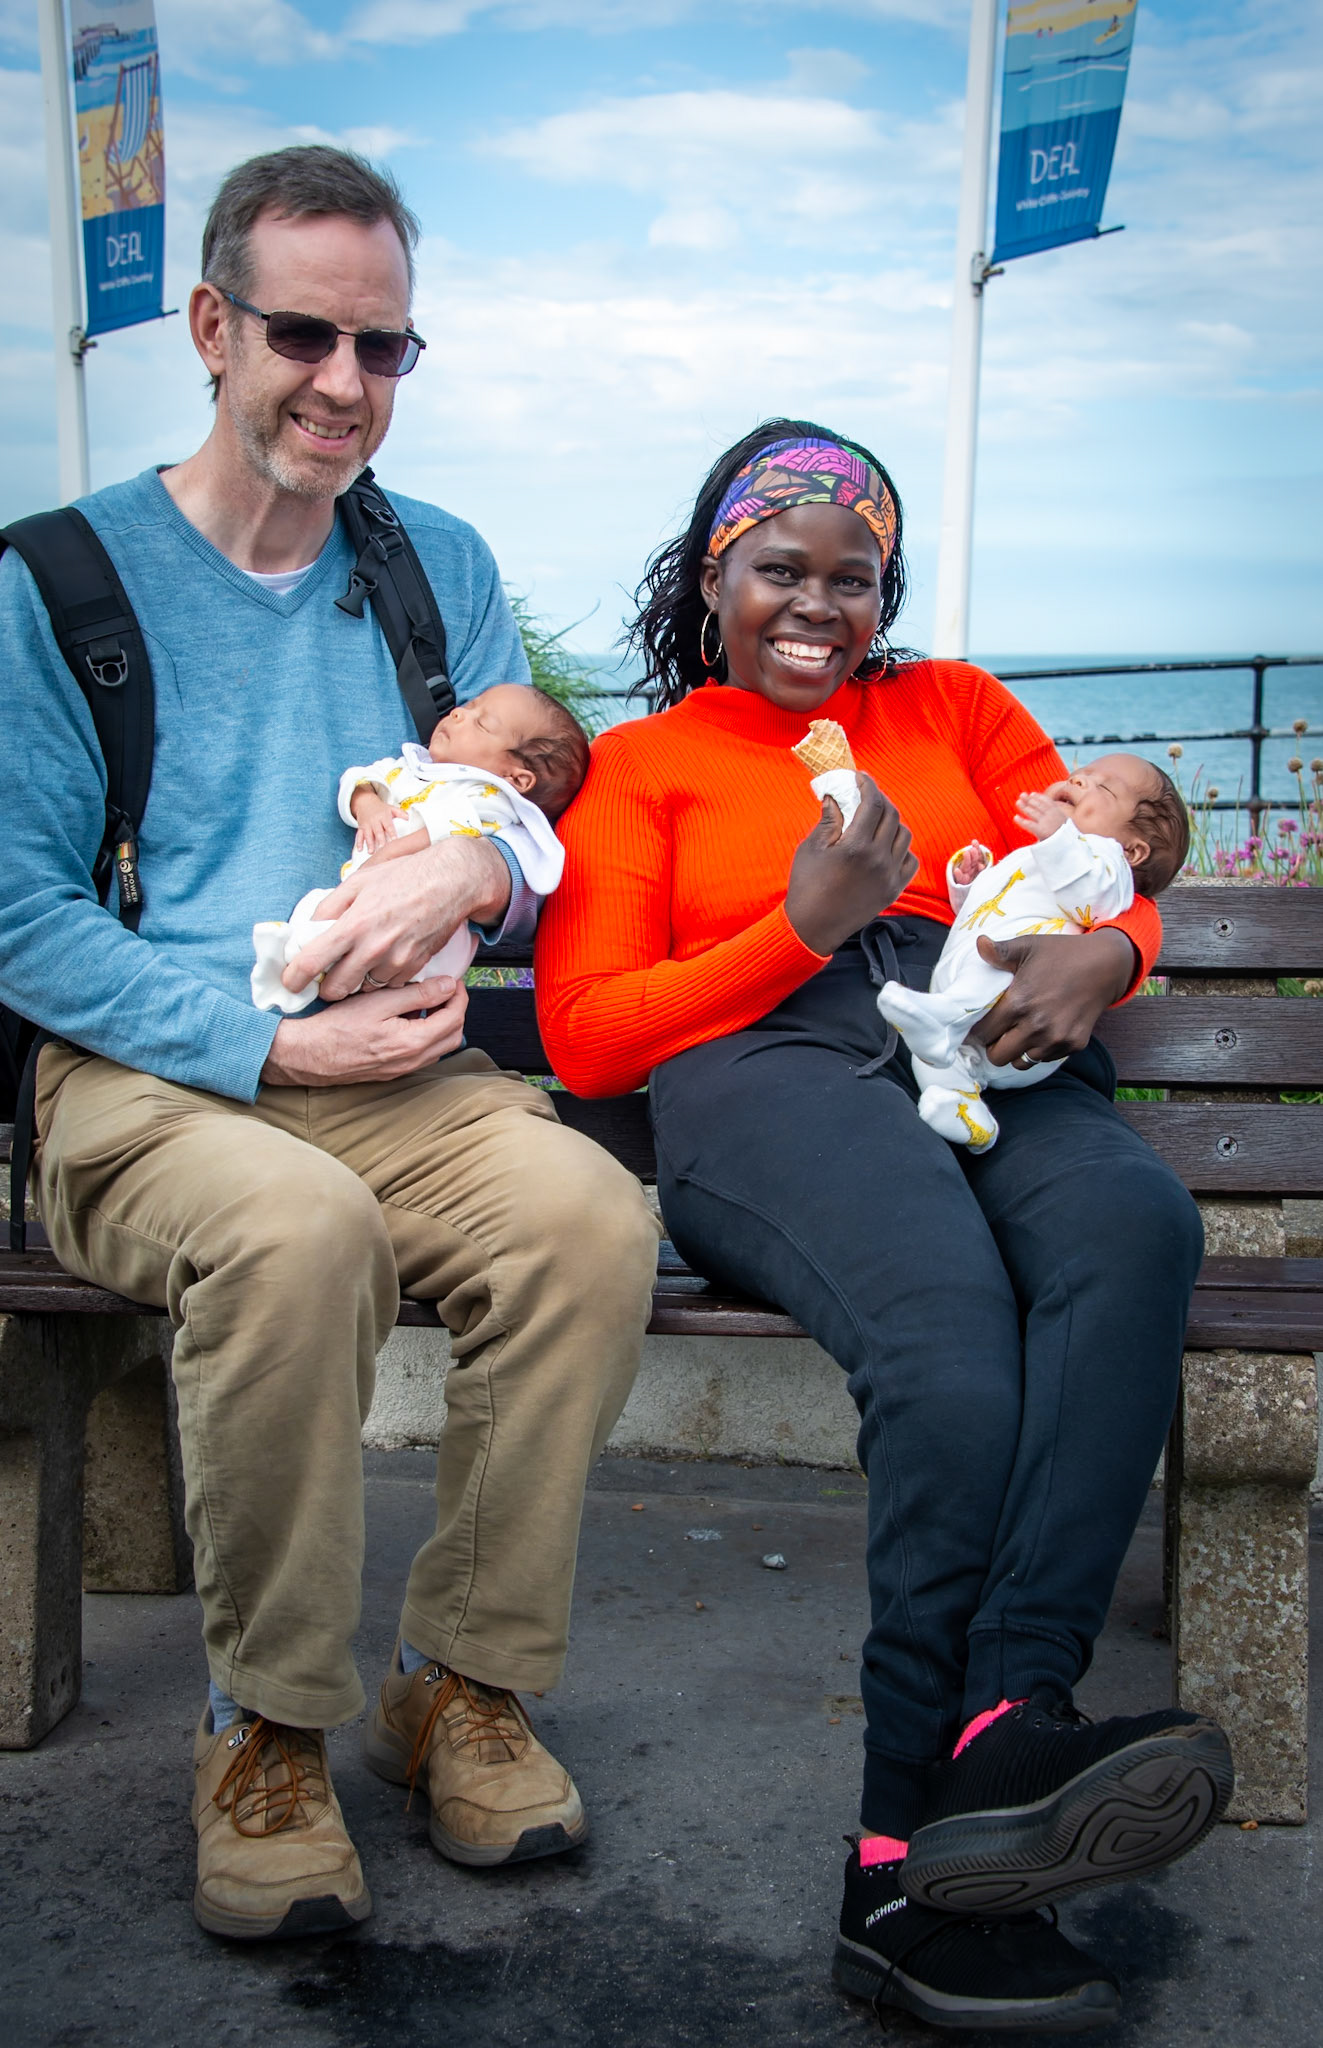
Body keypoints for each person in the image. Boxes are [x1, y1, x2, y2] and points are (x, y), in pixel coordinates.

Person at [0, 145, 659, 1942]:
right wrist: (265, 1046)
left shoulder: (434, 561)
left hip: (404, 1070)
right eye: (305, 336)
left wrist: (471, 868)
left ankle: (456, 1678)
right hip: (156, 1070)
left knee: (589, 1220)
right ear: (213, 327)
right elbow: (20, 915)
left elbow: (526, 831)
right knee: (297, 1236)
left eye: (386, 350)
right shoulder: (53, 582)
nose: (345, 387)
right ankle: (266, 1726)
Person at [535, 423, 1231, 2033]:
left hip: (975, 1040)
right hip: (761, 1074)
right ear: (713, 575)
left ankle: (1006, 1723)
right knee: (946, 1345)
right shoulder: (642, 764)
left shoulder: (953, 706)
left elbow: (1082, 859)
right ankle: (898, 1864)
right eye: (779, 568)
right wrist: (796, 926)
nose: (816, 606)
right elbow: (584, 1035)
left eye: (855, 578)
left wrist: (1115, 955)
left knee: (1129, 1231)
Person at [876, 751, 1190, 1149]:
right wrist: (970, 885)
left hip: (1026, 1010)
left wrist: (1060, 837)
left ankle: (944, 1021)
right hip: (982, 1010)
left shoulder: (1107, 866)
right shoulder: (1044, 856)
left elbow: (1092, 900)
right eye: (1080, 773)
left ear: (1133, 851)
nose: (1077, 780)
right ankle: (965, 1114)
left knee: (983, 979)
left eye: (1102, 786)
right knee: (936, 1061)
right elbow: (992, 911)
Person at [251, 683, 587, 1012]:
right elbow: (361, 778)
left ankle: (296, 973)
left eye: (481, 722)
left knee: (359, 939)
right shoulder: (412, 768)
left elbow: (444, 832)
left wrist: (381, 861)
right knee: (321, 911)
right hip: (361, 892)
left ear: (517, 778)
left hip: (419, 932)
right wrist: (369, 804)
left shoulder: (491, 799)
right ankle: (293, 965)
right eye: (468, 707)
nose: (458, 713)